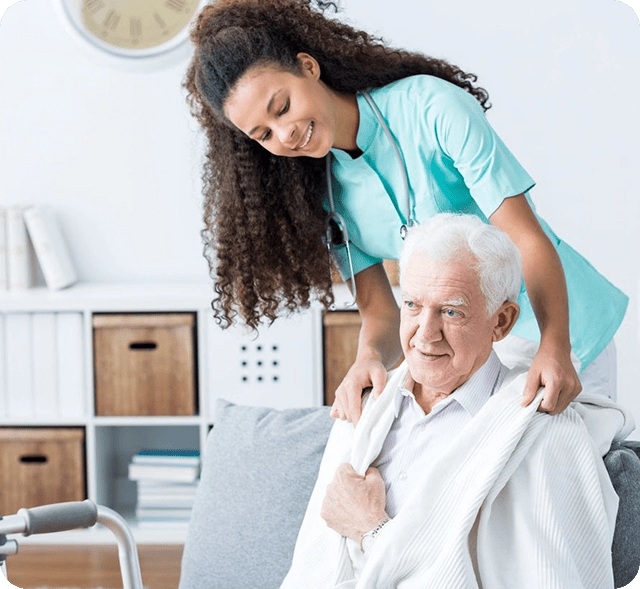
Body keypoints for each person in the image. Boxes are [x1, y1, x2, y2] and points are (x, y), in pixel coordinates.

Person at [183, 0, 628, 421]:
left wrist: (555, 342)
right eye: (264, 134)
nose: (286, 133)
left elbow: (526, 238)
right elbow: (380, 312)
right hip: (473, 356)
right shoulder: (322, 196)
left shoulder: (432, 107)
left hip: (562, 327)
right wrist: (368, 359)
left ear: (308, 67)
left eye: (282, 107)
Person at [280, 214, 633, 588]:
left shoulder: (544, 435)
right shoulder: (364, 408)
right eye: (413, 305)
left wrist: (372, 531)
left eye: (451, 311)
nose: (426, 335)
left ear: (502, 322)